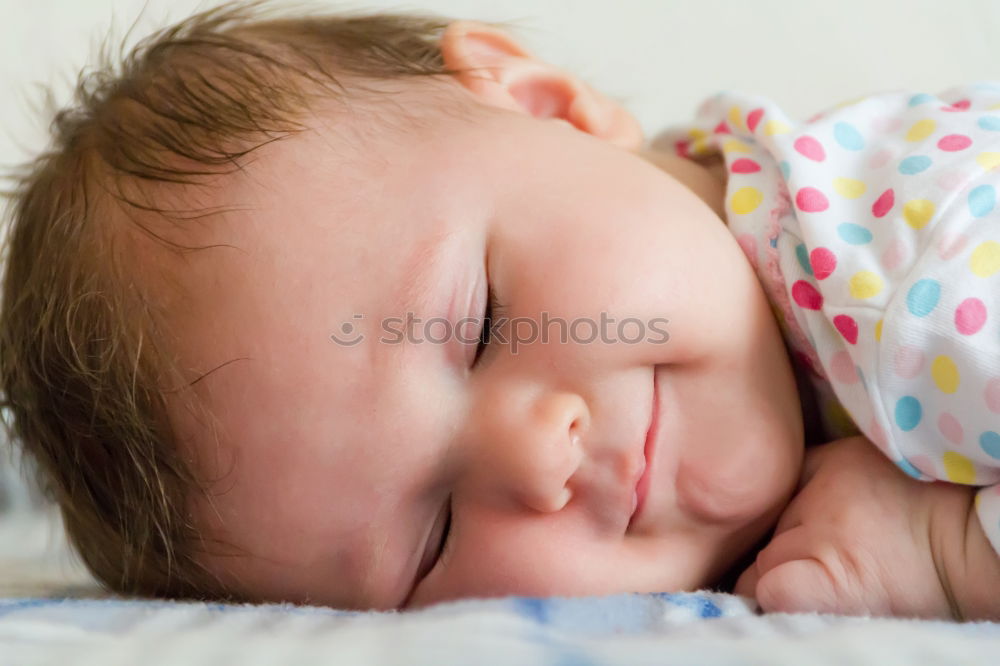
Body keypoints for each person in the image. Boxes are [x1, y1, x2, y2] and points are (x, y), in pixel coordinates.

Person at [1, 0, 997, 619]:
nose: (537, 457)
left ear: (546, 106)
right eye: (433, 537)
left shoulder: (918, 279)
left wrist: (954, 559)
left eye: (479, 326)